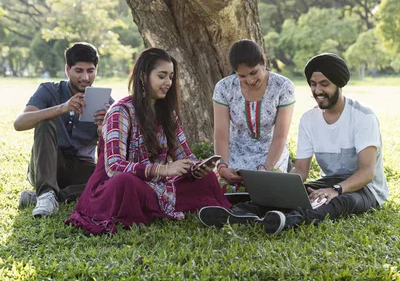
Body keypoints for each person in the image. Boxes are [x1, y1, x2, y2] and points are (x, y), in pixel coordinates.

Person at [198, 53, 389, 233]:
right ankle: (240, 213)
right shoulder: (309, 119)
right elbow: (301, 171)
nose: (318, 90)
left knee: (339, 203)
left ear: (339, 84)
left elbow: (367, 173)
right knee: (301, 192)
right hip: (330, 182)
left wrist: (336, 190)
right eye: (313, 84)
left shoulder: (363, 117)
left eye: (325, 84)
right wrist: (281, 188)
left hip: (366, 189)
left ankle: (290, 220)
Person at [65, 47, 231, 234]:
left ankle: (156, 206)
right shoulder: (121, 111)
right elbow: (114, 167)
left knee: (206, 178)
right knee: (126, 183)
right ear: (143, 77)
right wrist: (164, 169)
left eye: (170, 76)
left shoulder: (168, 114)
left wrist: (197, 167)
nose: (168, 82)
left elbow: (185, 155)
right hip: (119, 186)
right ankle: (153, 207)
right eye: (162, 76)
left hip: (157, 186)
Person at [14, 42, 112, 217]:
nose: (85, 77)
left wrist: (103, 129)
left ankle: (50, 196)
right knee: (45, 122)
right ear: (67, 70)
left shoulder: (105, 101)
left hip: (82, 166)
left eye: (90, 71)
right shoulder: (48, 90)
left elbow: (118, 148)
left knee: (113, 181)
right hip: (48, 164)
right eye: (79, 71)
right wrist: (61, 108)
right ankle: (45, 194)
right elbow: (19, 123)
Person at [213, 40, 295, 188]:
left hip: (271, 153)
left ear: (263, 62)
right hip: (235, 153)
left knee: (266, 189)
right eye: (242, 76)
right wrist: (222, 166)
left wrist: (266, 168)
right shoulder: (224, 87)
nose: (250, 80)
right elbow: (221, 135)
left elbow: (280, 136)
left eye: (253, 72)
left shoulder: (283, 86)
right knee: (226, 191)